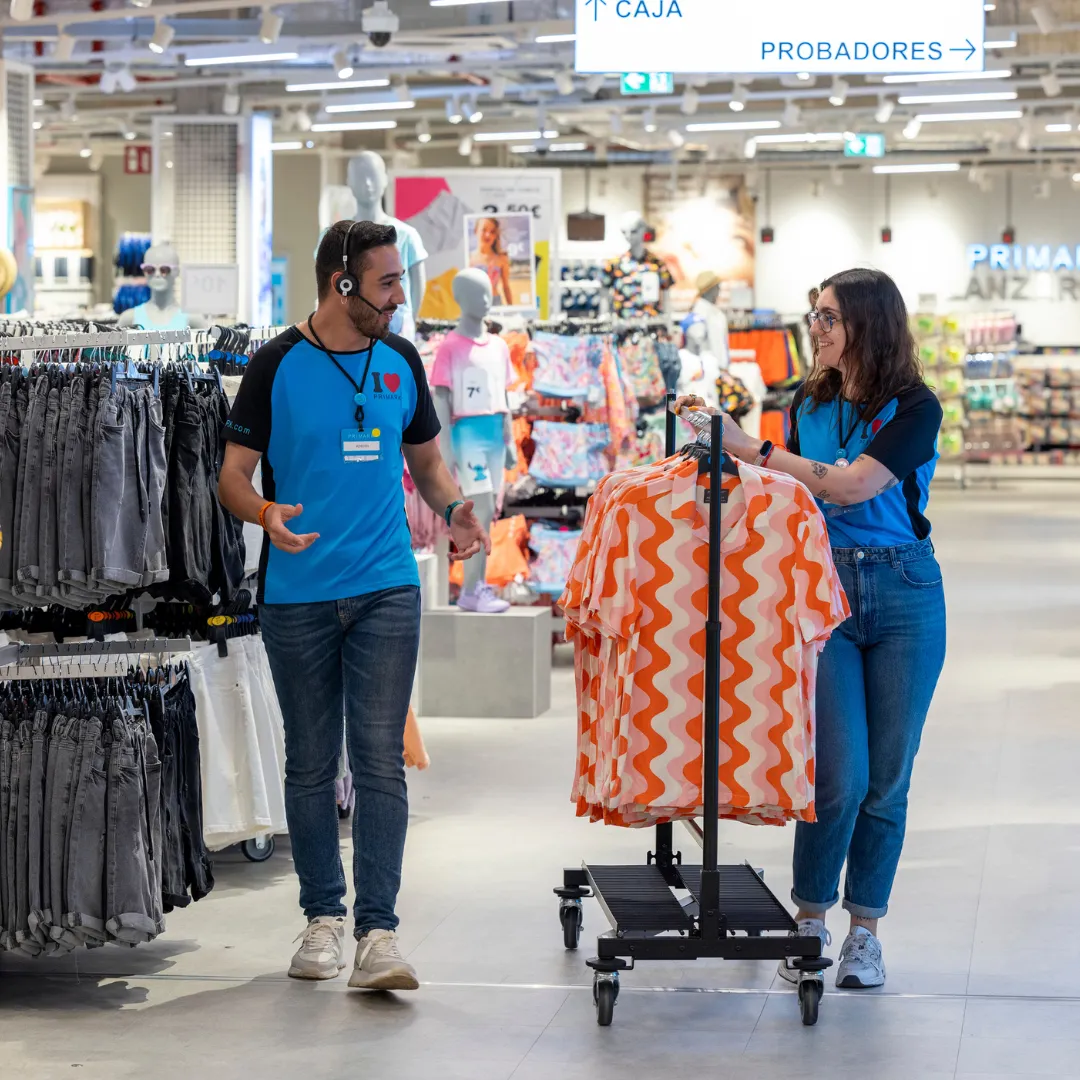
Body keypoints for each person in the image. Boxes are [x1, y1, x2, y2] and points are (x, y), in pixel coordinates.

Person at [219, 220, 490, 991]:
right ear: (341, 283)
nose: (401, 297)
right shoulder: (275, 365)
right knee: (309, 764)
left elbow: (429, 464)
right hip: (297, 596)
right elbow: (232, 475)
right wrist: (265, 513)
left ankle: (379, 934)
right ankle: (321, 921)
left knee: (378, 763)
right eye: (388, 283)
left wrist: (454, 508)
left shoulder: (401, 359)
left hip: (386, 588)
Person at [677, 267, 945, 989]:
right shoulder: (806, 401)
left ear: (868, 324)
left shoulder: (916, 407)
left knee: (887, 779)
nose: (816, 329)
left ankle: (865, 931)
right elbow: (791, 496)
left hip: (906, 591)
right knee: (836, 774)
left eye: (828, 317)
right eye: (815, 315)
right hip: (822, 589)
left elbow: (852, 485)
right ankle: (808, 920)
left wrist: (748, 446)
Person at [469, 217, 511, 305]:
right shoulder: (469, 258)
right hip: (474, 304)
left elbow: (506, 287)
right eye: (484, 230)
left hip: (495, 302)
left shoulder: (501, 259)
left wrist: (511, 309)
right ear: (476, 231)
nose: (488, 235)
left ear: (496, 236)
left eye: (492, 232)